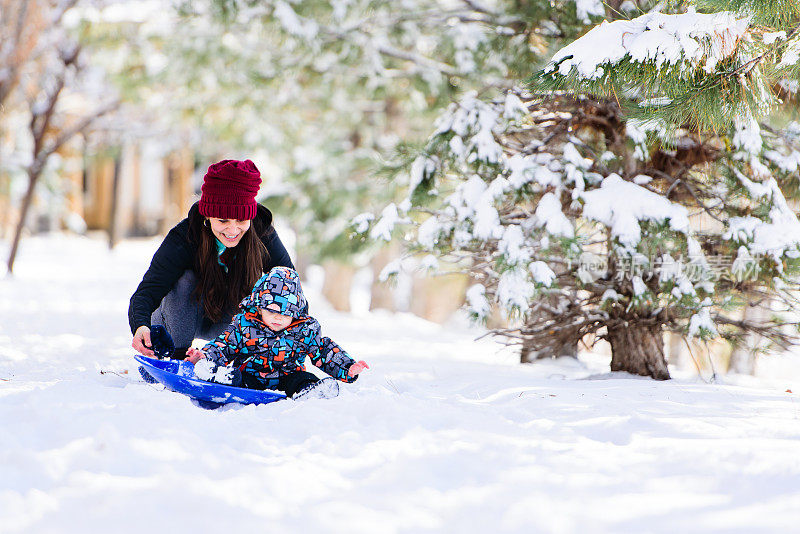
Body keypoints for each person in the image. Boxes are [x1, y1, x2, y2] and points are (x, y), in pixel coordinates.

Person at [129, 159, 294, 359]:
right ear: (207, 216)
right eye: (223, 220)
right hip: (179, 315)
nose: (233, 230)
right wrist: (140, 325)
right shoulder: (184, 236)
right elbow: (148, 290)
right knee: (185, 280)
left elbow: (290, 287)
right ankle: (174, 356)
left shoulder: (261, 232)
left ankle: (232, 359)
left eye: (241, 220)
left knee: (260, 290)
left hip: (230, 319)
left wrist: (286, 345)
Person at [185, 266, 369, 399]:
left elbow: (323, 351)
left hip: (288, 376)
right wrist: (204, 356)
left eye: (285, 314)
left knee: (304, 378)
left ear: (296, 313)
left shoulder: (305, 330)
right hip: (252, 376)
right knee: (240, 379)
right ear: (259, 307)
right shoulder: (245, 324)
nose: (278, 318)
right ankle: (221, 377)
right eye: (271, 311)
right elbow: (224, 345)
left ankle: (311, 392)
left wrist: (347, 367)